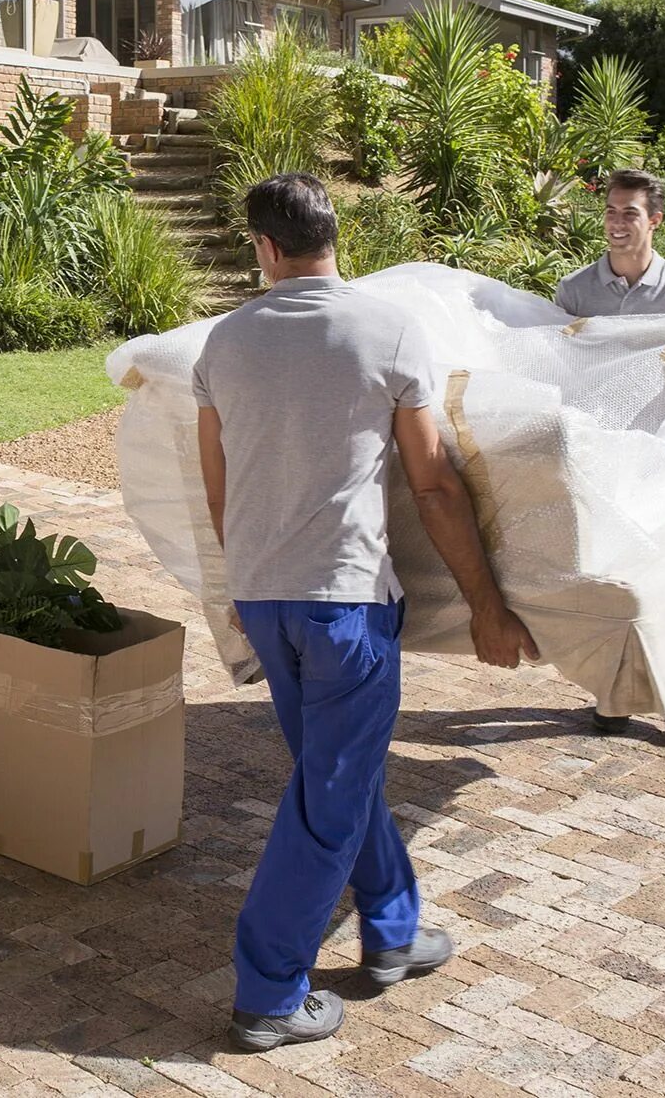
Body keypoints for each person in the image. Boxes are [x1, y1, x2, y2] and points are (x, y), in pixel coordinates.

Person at [195, 173, 539, 1052]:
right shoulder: (388, 329)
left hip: (266, 597)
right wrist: (487, 606)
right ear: (333, 238)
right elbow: (432, 483)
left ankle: (390, 927)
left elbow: (218, 485)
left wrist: (237, 589)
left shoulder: (222, 345)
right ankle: (269, 990)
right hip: (344, 603)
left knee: (337, 776)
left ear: (266, 249)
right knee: (329, 798)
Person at [553, 168, 665, 740]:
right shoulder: (575, 291)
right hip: (595, 449)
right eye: (612, 212)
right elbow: (563, 371)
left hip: (656, 449)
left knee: (663, 567)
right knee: (610, 573)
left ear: (655, 220)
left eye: (631, 214)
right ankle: (613, 695)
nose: (618, 224)